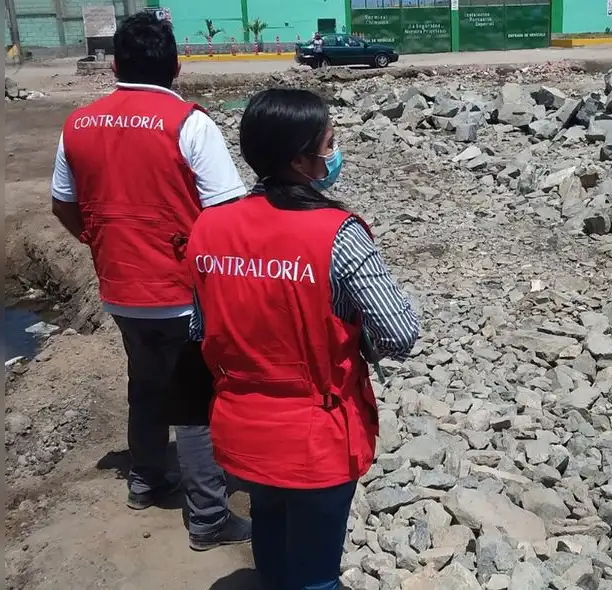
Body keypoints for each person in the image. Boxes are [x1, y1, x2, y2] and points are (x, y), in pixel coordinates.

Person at [186, 88, 419, 590]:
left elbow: (200, 329)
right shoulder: (339, 234)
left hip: (242, 426)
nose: (334, 154)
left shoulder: (208, 227)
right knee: (317, 575)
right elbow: (400, 333)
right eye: (329, 144)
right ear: (298, 159)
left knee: (270, 527)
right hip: (316, 436)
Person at [49, 11, 251, 551]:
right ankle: (208, 517)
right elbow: (227, 214)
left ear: (115, 66)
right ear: (177, 66)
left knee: (145, 384)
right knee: (195, 400)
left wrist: (99, 241)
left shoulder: (78, 124)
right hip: (180, 292)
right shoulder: (189, 123)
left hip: (120, 289)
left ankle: (145, 479)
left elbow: (63, 204)